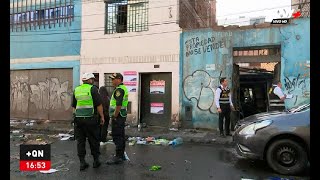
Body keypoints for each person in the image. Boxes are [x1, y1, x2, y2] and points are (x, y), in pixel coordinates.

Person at [72, 73, 105, 171]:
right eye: (93, 79)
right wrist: (102, 116)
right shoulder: (93, 89)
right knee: (93, 140)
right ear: (89, 80)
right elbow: (99, 105)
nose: (93, 81)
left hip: (79, 119)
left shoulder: (76, 89)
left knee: (80, 141)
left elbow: (74, 106)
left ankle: (82, 162)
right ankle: (96, 161)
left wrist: (75, 116)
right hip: (91, 119)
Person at [106, 73, 129, 165]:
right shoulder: (123, 88)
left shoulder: (119, 90)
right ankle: (121, 155)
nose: (112, 81)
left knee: (117, 136)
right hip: (121, 116)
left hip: (118, 116)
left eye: (113, 79)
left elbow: (118, 105)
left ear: (119, 79)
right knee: (121, 135)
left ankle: (118, 157)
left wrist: (114, 116)